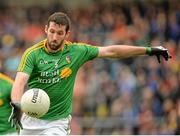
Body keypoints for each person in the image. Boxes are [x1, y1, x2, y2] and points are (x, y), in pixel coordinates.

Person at [9, 12, 171, 135]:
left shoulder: (77, 51)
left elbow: (111, 51)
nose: (54, 37)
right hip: (30, 119)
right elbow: (20, 81)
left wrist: (149, 50)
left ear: (67, 34)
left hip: (57, 123)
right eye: (51, 31)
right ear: (46, 29)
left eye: (59, 33)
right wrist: (16, 103)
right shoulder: (32, 53)